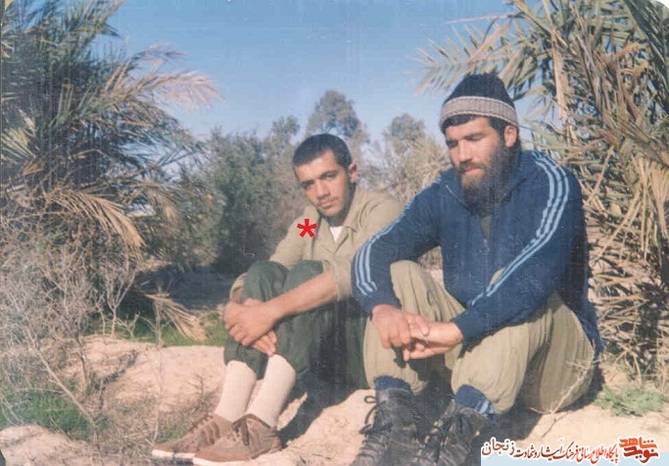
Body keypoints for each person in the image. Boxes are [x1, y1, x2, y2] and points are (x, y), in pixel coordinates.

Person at [350, 73, 603, 466]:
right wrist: (382, 308)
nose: (462, 154)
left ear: (508, 135)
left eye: (474, 138)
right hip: (478, 354)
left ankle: (458, 441)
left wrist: (455, 329)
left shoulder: (551, 182)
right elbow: (372, 251)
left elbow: (533, 274)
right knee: (399, 274)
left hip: (554, 367)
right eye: (453, 143)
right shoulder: (445, 192)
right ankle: (395, 430)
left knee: (516, 284)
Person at [151, 133, 402, 465]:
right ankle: (227, 416)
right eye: (309, 184)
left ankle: (263, 424)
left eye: (329, 176)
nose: (321, 192)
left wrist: (268, 313)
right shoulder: (310, 222)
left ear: (352, 171)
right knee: (263, 272)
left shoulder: (381, 210)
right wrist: (237, 307)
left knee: (310, 273)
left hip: (364, 348)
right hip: (318, 350)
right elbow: (277, 263)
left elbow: (349, 274)